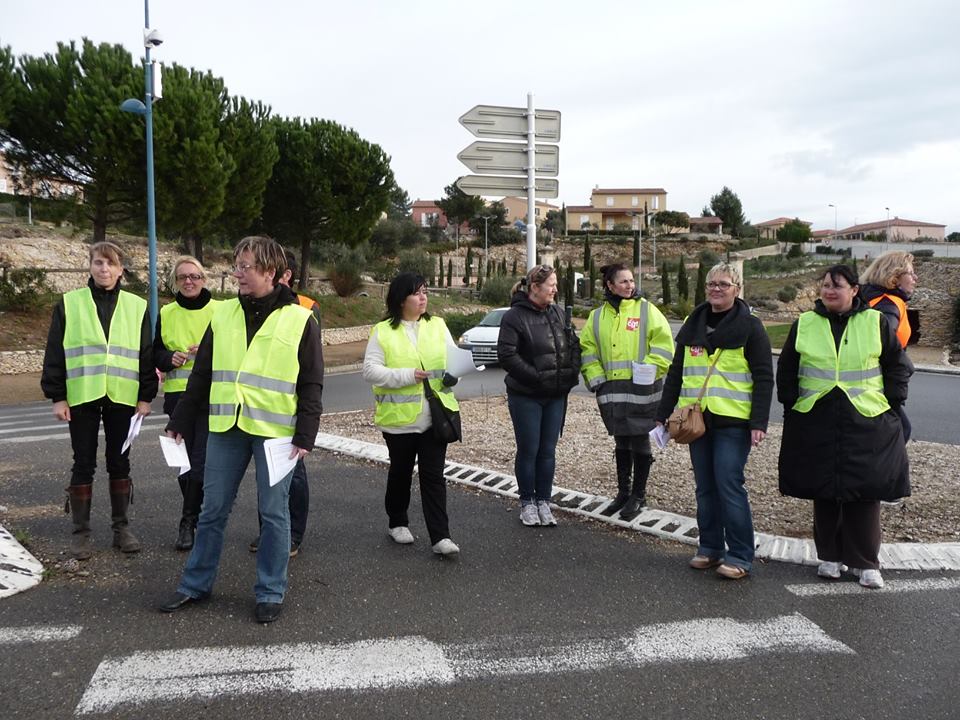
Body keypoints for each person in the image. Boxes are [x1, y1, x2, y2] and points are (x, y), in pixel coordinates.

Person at [159, 236, 324, 624]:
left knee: (273, 512)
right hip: (226, 426)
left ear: (270, 270)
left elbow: (312, 381)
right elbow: (202, 374)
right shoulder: (224, 313)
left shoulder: (301, 317)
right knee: (212, 509)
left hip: (276, 432)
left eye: (245, 267)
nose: (238, 274)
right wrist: (180, 420)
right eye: (236, 266)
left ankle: (270, 590)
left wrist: (306, 434)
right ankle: (195, 585)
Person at [777, 265, 910, 589]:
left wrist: (892, 405)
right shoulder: (806, 323)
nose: (829, 291)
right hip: (816, 417)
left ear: (854, 290)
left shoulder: (875, 321)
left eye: (837, 285)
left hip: (865, 419)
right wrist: (792, 404)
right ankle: (830, 557)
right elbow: (788, 368)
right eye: (825, 285)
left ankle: (865, 562)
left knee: (864, 493)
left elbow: (897, 365)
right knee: (824, 491)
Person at [655, 262, 773, 580]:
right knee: (705, 488)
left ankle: (740, 555)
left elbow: (764, 377)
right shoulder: (694, 324)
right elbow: (677, 374)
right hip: (696, 420)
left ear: (737, 289)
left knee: (728, 484)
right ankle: (709, 548)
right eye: (711, 284)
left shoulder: (750, 327)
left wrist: (758, 422)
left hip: (733, 420)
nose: (716, 289)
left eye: (723, 284)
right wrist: (663, 414)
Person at [40, 241, 157, 559]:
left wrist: (146, 396)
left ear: (121, 270)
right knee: (83, 463)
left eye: (110, 263)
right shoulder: (69, 303)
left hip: (122, 395)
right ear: (89, 267)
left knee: (120, 462)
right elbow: (55, 351)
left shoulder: (137, 306)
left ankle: (121, 529)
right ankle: (81, 533)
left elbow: (145, 353)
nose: (103, 268)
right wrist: (57, 397)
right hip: (83, 395)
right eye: (98, 262)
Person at [362, 272, 461, 557]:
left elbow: (453, 360)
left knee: (433, 476)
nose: (423, 298)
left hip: (436, 417)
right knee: (401, 472)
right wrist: (408, 375)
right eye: (417, 293)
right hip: (400, 420)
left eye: (425, 292)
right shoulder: (382, 331)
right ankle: (398, 521)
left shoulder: (438, 325)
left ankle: (441, 537)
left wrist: (457, 375)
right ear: (400, 298)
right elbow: (370, 371)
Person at [580, 263, 674, 520]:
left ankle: (639, 495)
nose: (630, 286)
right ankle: (624, 492)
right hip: (612, 391)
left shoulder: (647, 310)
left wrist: (650, 369)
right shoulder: (597, 316)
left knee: (640, 438)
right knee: (621, 439)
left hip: (642, 390)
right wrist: (596, 378)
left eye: (631, 281)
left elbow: (665, 346)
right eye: (623, 282)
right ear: (609, 285)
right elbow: (587, 349)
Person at [249, 249, 321, 558]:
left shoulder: (306, 308)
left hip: (289, 410)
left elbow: (310, 365)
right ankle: (268, 530)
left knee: (294, 475)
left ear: (284, 275)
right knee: (265, 478)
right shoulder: (254, 305)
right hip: (258, 409)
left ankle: (294, 535)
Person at [497, 264, 581, 527]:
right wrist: (538, 377)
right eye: (551, 285)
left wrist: (570, 372)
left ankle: (544, 501)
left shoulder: (557, 312)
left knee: (548, 451)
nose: (555, 289)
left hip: (555, 395)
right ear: (535, 288)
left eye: (556, 284)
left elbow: (574, 345)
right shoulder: (514, 316)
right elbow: (507, 356)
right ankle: (527, 503)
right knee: (529, 450)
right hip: (527, 396)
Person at [153, 256, 219, 551]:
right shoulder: (166, 312)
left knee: (202, 462)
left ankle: (188, 521)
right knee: (183, 464)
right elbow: (155, 353)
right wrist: (169, 358)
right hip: (178, 397)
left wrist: (205, 351)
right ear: (175, 282)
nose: (189, 281)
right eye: (182, 277)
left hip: (212, 395)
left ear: (204, 279)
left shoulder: (221, 310)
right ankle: (196, 516)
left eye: (194, 276)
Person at [859, 251, 918, 440]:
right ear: (894, 277)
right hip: (878, 382)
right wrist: (906, 365)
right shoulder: (888, 305)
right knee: (900, 431)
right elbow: (883, 341)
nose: (915, 278)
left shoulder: (871, 297)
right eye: (910, 273)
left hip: (868, 381)